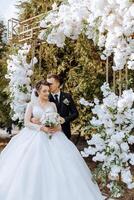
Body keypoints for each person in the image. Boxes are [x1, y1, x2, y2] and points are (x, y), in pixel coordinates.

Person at [0, 80, 104, 200]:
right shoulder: (31, 105)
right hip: (35, 136)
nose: (47, 93)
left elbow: (58, 121)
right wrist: (41, 127)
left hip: (54, 136)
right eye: (44, 91)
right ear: (38, 92)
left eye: (48, 91)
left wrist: (56, 126)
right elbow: (26, 122)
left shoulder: (52, 105)